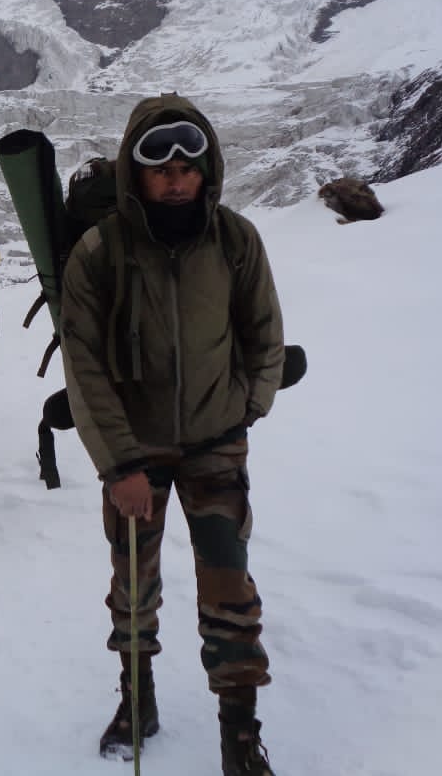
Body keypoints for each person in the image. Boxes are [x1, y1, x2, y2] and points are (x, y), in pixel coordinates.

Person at [59, 94, 284, 773]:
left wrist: (248, 405)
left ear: (208, 162)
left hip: (218, 440)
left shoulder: (235, 239)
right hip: (137, 451)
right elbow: (84, 364)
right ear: (136, 171)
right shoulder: (100, 252)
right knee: (134, 587)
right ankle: (138, 698)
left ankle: (240, 738)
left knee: (230, 587)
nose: (177, 173)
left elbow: (265, 332)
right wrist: (119, 463)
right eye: (159, 161)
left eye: (189, 157)